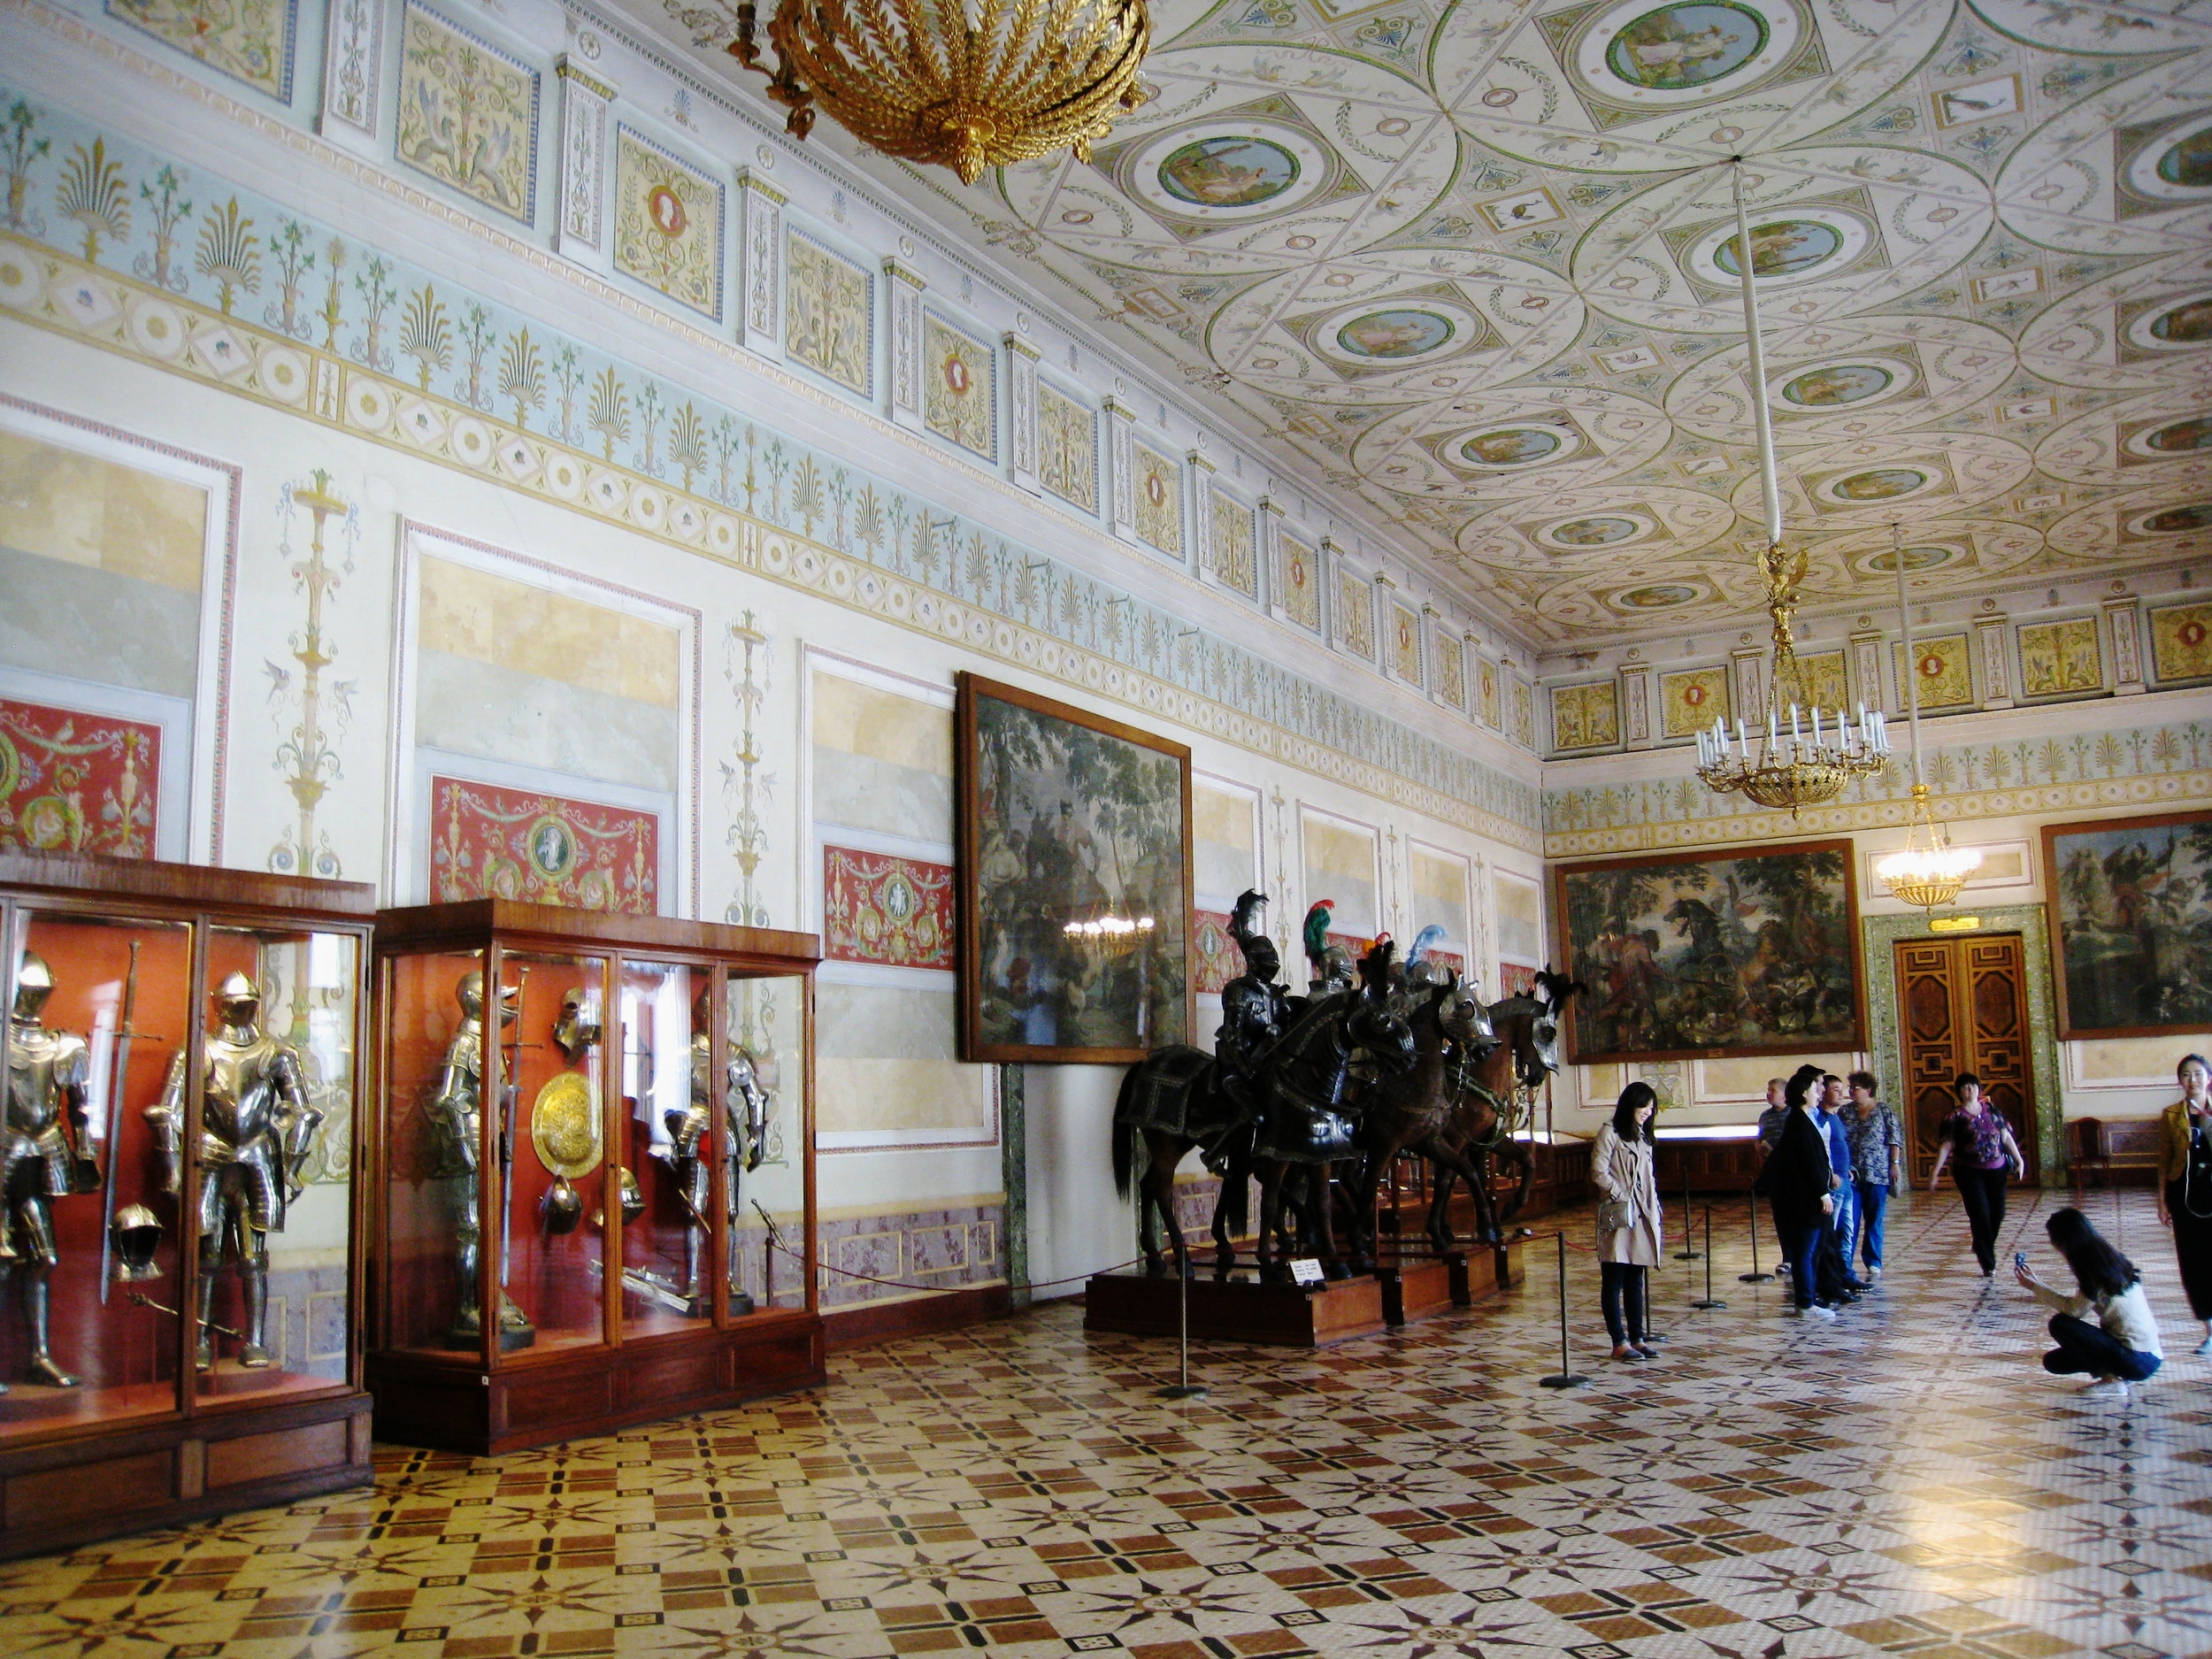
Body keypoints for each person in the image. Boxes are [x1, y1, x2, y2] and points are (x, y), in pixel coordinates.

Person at [2016, 1207, 2162, 1400]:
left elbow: (2074, 1310)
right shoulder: (2107, 1259)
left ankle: (2112, 1380)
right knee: (2054, 1362)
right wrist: (2038, 1284)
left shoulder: (2094, 1271)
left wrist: (2035, 1287)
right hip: (2150, 1355)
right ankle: (2117, 1375)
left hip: (2139, 1358)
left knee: (2060, 1324)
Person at [1752, 1071, 1837, 1318]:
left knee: (1810, 1250)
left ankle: (1809, 1297)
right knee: (1805, 1251)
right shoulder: (1799, 1122)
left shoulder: (1803, 1118)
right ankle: (1806, 1302)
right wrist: (1823, 1193)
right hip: (1805, 1199)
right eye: (1815, 1090)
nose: (1819, 1094)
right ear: (1803, 1093)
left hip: (1806, 1197)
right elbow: (1809, 1161)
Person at [1593, 1082, 1663, 1362]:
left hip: (1642, 1215)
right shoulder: (1609, 1132)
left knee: (1636, 1279)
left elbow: (1649, 1176)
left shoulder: (1643, 1136)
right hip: (1619, 1214)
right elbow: (1598, 1171)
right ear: (1630, 1105)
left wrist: (1654, 1206)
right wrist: (1621, 1195)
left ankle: (1638, 1338)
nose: (1648, 1111)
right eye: (1644, 1105)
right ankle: (1618, 1342)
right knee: (1614, 1279)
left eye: (1652, 1107)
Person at [1930, 1071, 2025, 1275]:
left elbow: (2005, 1137)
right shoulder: (1954, 1117)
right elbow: (1946, 1145)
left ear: (1979, 1088)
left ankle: (1981, 1243)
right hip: (1968, 1171)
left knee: (1997, 1213)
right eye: (1965, 1087)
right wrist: (1935, 1172)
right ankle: (1988, 1262)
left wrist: (2019, 1160)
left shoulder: (1992, 1110)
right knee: (1980, 1213)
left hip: (1996, 1169)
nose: (1970, 1090)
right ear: (1959, 1092)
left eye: (1973, 1086)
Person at [2154, 1052, 2212, 1356]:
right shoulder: (2171, 1115)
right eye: (2187, 1075)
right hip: (2185, 1196)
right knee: (2193, 1263)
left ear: (2209, 1078)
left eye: (2198, 1074)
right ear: (2180, 1080)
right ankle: (2210, 1330)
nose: (2193, 1080)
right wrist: (2162, 1200)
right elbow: (2165, 1161)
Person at [1843, 1071, 1905, 1278]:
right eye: (1850, 1088)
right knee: (1850, 1219)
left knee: (1874, 1218)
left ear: (1868, 1090)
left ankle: (1873, 1260)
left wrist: (1895, 1164)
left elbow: (1894, 1139)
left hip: (1877, 1173)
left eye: (1856, 1088)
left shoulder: (1884, 1111)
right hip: (1852, 1174)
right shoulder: (1845, 1112)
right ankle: (1845, 1260)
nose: (1851, 1091)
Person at [1815, 1074, 1865, 1301]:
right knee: (1830, 1235)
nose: (1841, 1093)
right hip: (1833, 1183)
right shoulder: (1820, 1118)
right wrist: (1831, 1173)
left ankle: (1846, 1275)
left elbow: (1839, 1146)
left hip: (1846, 1180)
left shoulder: (1836, 1117)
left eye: (1841, 1089)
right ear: (1824, 1091)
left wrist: (1849, 1168)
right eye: (1835, 1089)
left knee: (1847, 1232)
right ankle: (1829, 1282)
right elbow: (1821, 1150)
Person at [1755, 1076, 1790, 1273]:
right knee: (1780, 1216)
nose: (1768, 1094)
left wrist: (1776, 1153)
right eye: (1768, 1090)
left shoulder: (1794, 1114)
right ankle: (1787, 1257)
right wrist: (1758, 1147)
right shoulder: (1765, 1116)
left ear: (1784, 1094)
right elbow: (1759, 1137)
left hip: (1792, 1172)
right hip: (1773, 1172)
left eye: (1773, 1090)